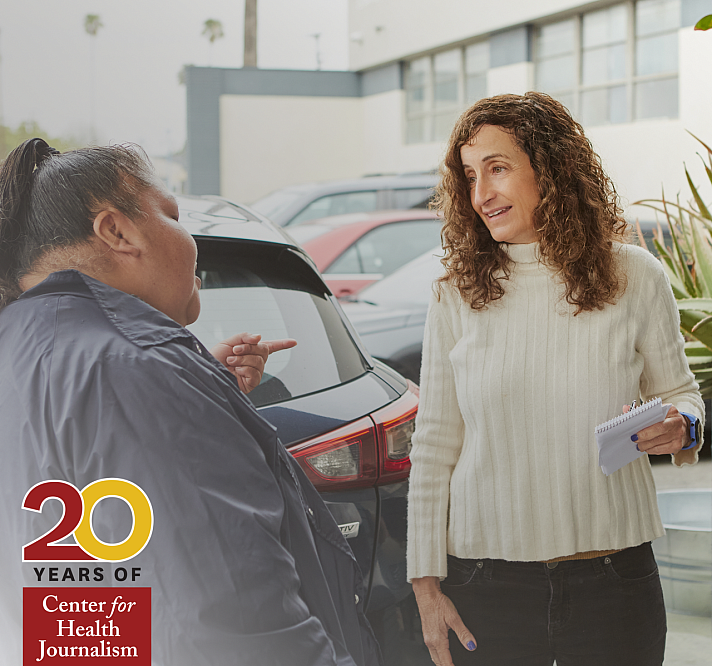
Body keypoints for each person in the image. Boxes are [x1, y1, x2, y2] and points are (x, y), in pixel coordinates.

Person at [0, 138, 382, 666]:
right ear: (117, 231)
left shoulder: (25, 344)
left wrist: (200, 386)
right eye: (172, 214)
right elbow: (239, 621)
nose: (191, 237)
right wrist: (175, 386)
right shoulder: (139, 373)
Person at [407, 92, 704, 666]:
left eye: (498, 168)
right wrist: (425, 586)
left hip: (615, 584)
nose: (481, 194)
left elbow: (682, 396)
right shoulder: (454, 293)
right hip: (485, 590)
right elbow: (435, 444)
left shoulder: (635, 276)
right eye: (470, 176)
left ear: (552, 169)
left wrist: (684, 427)